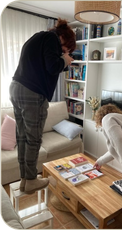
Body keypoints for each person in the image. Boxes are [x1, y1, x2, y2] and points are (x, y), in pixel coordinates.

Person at [9, 18, 75, 194]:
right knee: (34, 139)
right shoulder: (52, 39)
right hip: (32, 92)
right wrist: (65, 60)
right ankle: (30, 180)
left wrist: (64, 61)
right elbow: (53, 66)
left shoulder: (38, 37)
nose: (66, 51)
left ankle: (25, 178)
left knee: (23, 137)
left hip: (17, 88)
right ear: (63, 38)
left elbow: (45, 66)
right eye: (67, 48)